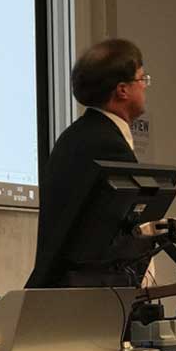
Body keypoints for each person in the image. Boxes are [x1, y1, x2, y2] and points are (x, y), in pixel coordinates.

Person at [25, 38, 150, 288]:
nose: (146, 86)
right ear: (122, 90)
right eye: (142, 79)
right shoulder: (105, 144)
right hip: (85, 299)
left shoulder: (82, 134)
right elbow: (111, 236)